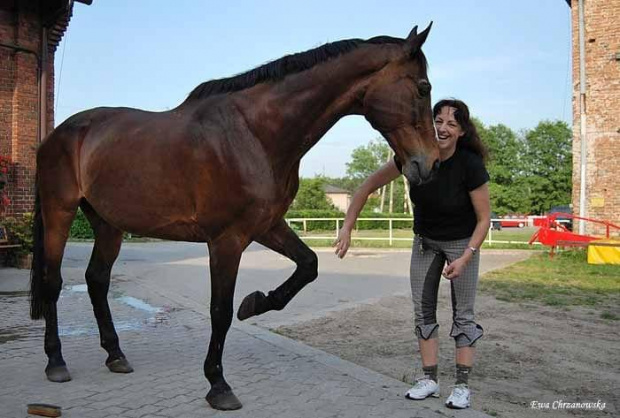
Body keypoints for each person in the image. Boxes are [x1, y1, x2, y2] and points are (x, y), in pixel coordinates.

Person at [334, 99, 491, 409]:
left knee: (464, 316)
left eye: (451, 124)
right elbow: (366, 186)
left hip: (462, 243)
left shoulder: (469, 164)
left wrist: (466, 257)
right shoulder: (413, 155)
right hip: (425, 243)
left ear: (461, 132)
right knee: (423, 312)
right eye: (439, 120)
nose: (443, 128)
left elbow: (484, 219)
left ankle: (461, 386)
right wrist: (347, 226)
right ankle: (429, 379)